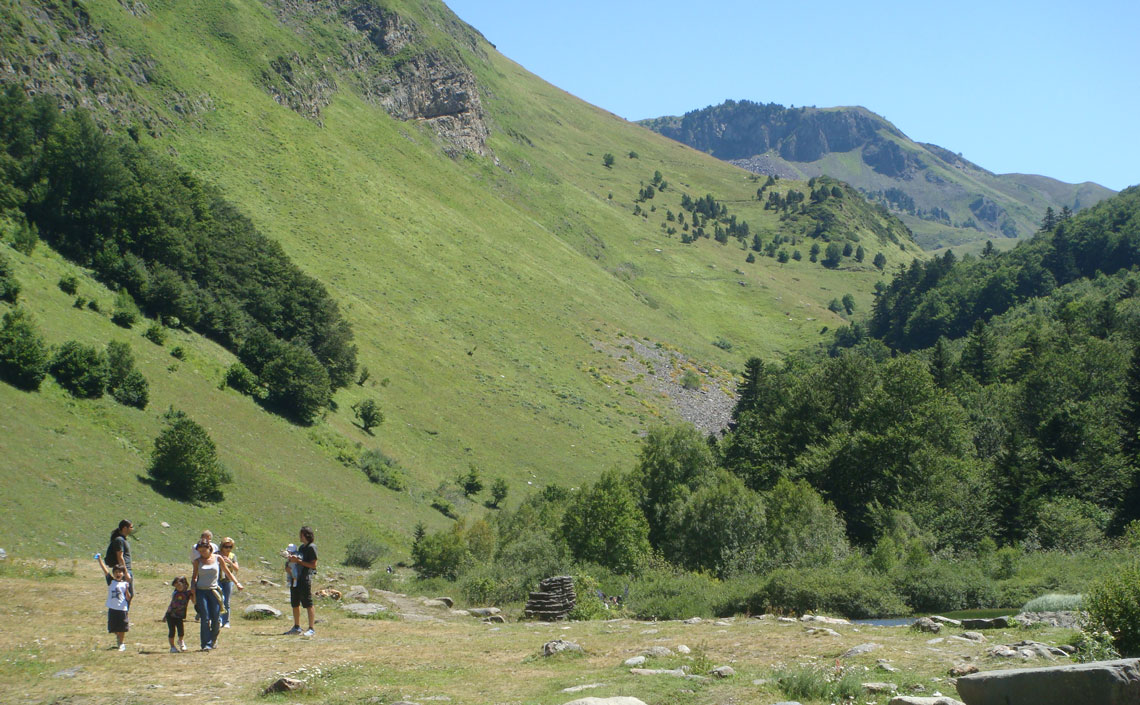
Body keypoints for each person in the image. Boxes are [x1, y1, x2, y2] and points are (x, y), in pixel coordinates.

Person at [190, 541, 242, 651]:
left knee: (216, 618)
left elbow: (227, 572)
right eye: (200, 552)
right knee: (205, 618)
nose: (202, 553)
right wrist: (193, 588)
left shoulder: (218, 558)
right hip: (201, 591)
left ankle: (213, 639)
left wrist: (237, 583)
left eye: (204, 551)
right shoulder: (197, 561)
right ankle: (205, 644)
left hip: (214, 591)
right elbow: (194, 576)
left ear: (209, 549)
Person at [283, 526, 318, 636]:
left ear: (305, 535)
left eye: (301, 534)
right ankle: (296, 626)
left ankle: (311, 628)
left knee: (308, 603)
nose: (300, 536)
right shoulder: (302, 548)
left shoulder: (311, 548)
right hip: (295, 579)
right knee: (295, 602)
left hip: (305, 578)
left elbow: (313, 565)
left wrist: (298, 561)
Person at [97, 556, 132, 651]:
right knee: (113, 628)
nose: (118, 574)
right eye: (116, 572)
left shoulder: (125, 584)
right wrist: (99, 560)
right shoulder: (111, 581)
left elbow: (128, 597)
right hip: (112, 608)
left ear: (123, 574)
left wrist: (127, 590)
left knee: (122, 627)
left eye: (120, 572)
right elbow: (105, 570)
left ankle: (121, 643)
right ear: (114, 573)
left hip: (122, 608)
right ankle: (118, 637)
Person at [190, 530, 217, 622]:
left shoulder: (214, 547)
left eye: (209, 539)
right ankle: (200, 611)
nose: (208, 540)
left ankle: (210, 616)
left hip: (212, 574)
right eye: (206, 538)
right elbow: (193, 559)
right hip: (200, 571)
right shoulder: (195, 547)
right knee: (199, 596)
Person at [164, 576, 191, 652]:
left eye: (179, 585)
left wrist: (194, 593)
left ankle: (181, 641)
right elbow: (171, 605)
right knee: (172, 631)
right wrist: (165, 615)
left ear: (184, 584)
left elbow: (194, 601)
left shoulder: (187, 593)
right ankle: (172, 647)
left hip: (180, 615)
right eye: (176, 586)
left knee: (181, 631)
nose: (177, 587)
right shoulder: (175, 594)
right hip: (171, 615)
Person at [217, 538, 238, 628]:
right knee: (220, 599)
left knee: (226, 602)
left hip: (228, 580)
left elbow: (237, 569)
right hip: (218, 579)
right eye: (226, 547)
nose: (228, 549)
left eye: (230, 547)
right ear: (222, 546)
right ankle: (219, 620)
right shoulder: (216, 554)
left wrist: (230, 562)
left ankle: (226, 621)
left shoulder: (232, 556)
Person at [105, 520, 133, 587]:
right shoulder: (119, 540)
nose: (132, 529)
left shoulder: (123, 539)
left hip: (126, 570)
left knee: (128, 595)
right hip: (122, 571)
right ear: (125, 528)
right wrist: (125, 573)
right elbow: (120, 557)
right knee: (125, 595)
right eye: (131, 527)